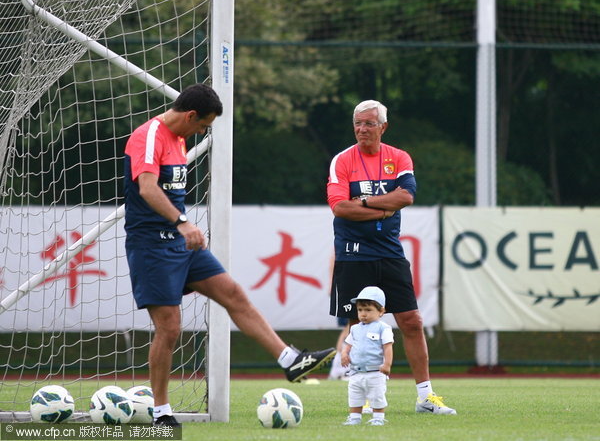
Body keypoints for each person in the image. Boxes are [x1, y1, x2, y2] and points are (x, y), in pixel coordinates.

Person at [123, 83, 336, 427]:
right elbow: (147, 188)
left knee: (233, 294)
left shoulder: (179, 138)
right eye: (203, 125)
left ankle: (289, 359)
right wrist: (182, 222)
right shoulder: (149, 136)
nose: (202, 132)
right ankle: (161, 413)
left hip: (182, 244)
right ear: (191, 115)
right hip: (152, 246)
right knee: (170, 328)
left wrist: (182, 228)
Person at [327, 99, 456, 415]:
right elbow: (340, 207)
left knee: (412, 321)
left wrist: (367, 201)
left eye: (369, 123)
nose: (362, 129)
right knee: (359, 326)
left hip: (389, 252)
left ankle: (425, 398)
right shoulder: (342, 160)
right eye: (358, 123)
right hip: (353, 255)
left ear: (383, 126)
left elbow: (407, 196)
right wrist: (384, 208)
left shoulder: (398, 158)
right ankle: (366, 399)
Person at [341, 286, 393, 426]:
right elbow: (348, 344)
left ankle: (378, 418)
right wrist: (344, 354)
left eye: (368, 310)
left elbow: (387, 347)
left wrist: (387, 364)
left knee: (377, 396)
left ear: (381, 311)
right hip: (356, 371)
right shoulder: (355, 328)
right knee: (355, 396)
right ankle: (354, 417)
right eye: (360, 310)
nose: (363, 314)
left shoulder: (383, 328)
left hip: (375, 371)